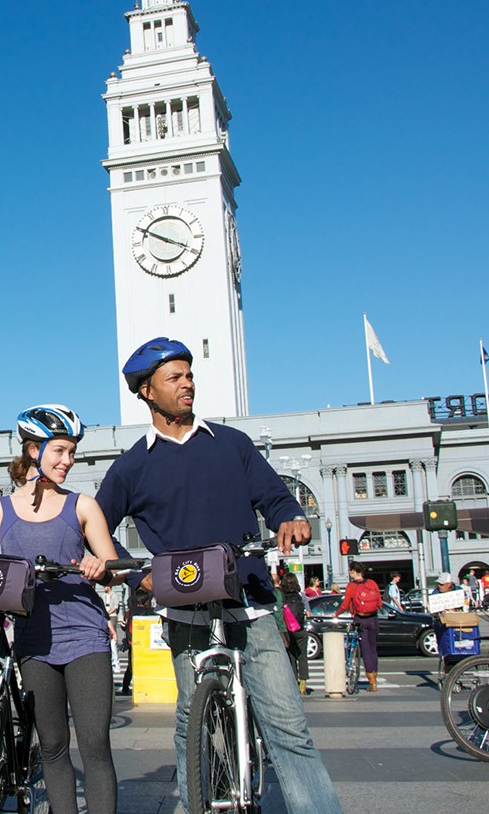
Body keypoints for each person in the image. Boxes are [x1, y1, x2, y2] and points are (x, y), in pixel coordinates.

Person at [95, 337, 340, 813]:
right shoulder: (131, 467)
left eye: (189, 375)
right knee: (192, 723)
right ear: (147, 392)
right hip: (184, 608)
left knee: (289, 726)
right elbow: (94, 526)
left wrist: (291, 516)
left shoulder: (232, 444)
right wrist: (133, 577)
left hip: (251, 603)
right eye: (174, 378)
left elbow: (275, 496)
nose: (187, 384)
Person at [0, 404, 120, 814]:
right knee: (53, 747)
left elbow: (114, 569)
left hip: (85, 635)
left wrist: (101, 568)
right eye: (60, 451)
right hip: (33, 640)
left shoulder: (83, 506)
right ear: (33, 449)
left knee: (95, 745)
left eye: (72, 452)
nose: (67, 461)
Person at [336, 562, 382, 692]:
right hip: (373, 618)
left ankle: (371, 682)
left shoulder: (351, 586)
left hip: (360, 619)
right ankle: (374, 677)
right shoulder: (372, 583)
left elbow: (345, 604)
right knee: (373, 649)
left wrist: (336, 613)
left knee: (365, 649)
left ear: (352, 572)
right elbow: (379, 601)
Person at [278, 571, 309, 695]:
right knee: (302, 657)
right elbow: (307, 612)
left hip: (287, 630)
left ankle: (293, 683)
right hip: (300, 629)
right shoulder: (301, 595)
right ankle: (303, 686)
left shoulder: (282, 596)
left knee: (291, 657)